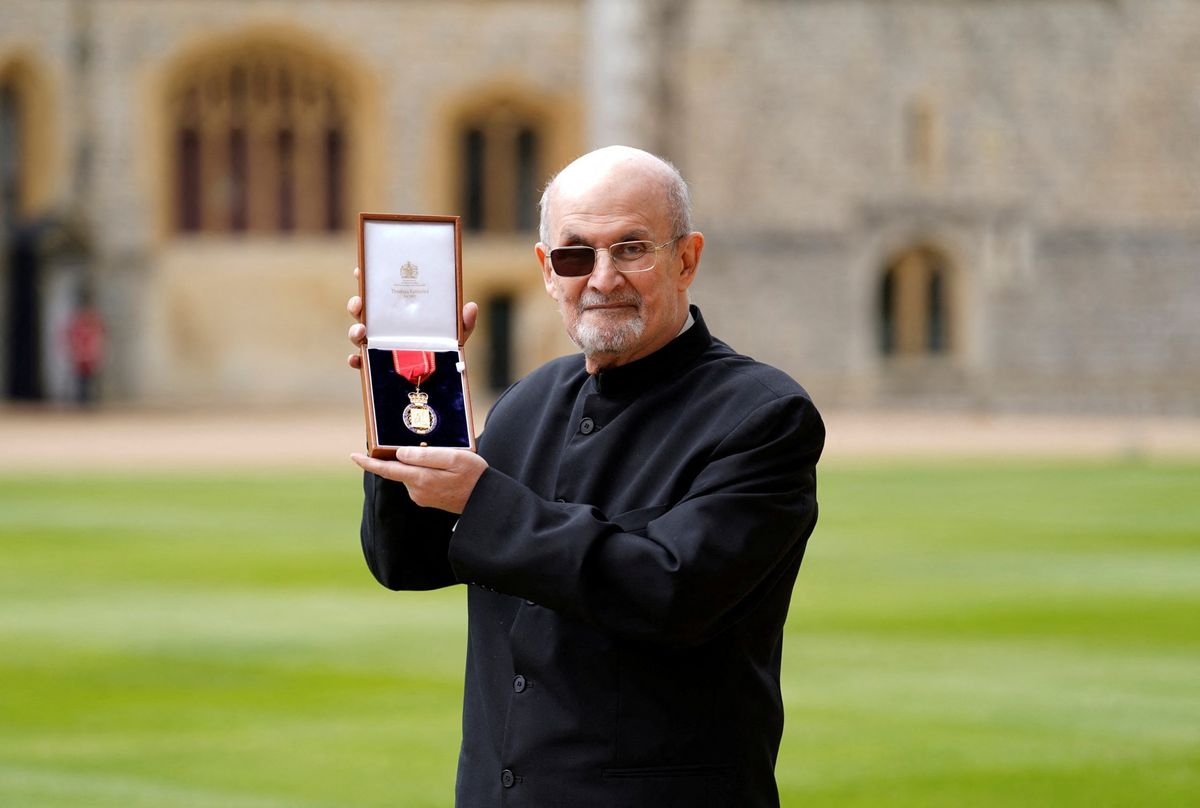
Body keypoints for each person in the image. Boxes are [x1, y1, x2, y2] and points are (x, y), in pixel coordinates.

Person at [346, 145, 824, 807]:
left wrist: (485, 499)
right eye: (575, 255)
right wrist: (407, 407)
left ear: (686, 259)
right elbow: (408, 560)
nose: (602, 278)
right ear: (547, 270)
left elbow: (672, 591)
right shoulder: (528, 401)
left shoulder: (763, 415)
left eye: (631, 248)